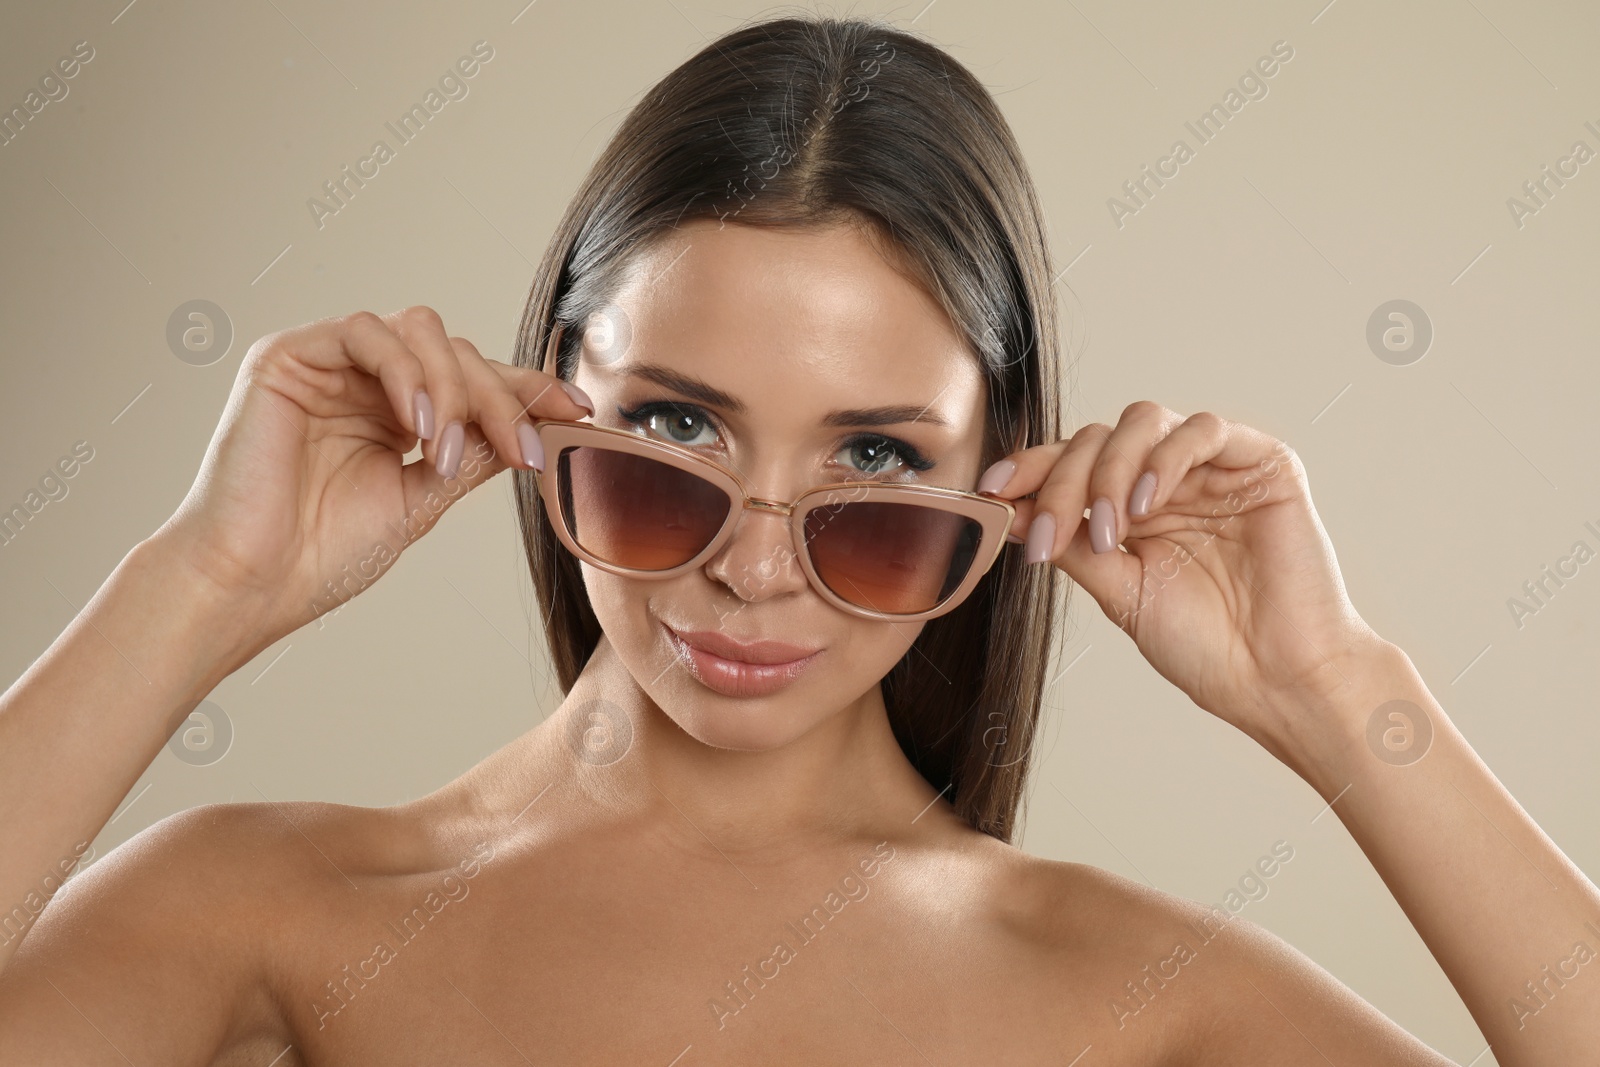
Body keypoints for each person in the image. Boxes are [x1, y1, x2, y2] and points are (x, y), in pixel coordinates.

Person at [1, 14, 1595, 1065]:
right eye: (678, 433)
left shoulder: (1136, 1001)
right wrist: (196, 590)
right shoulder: (269, 911)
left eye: (879, 459)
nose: (753, 567)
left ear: (1000, 480)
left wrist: (1335, 692)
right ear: (551, 403)